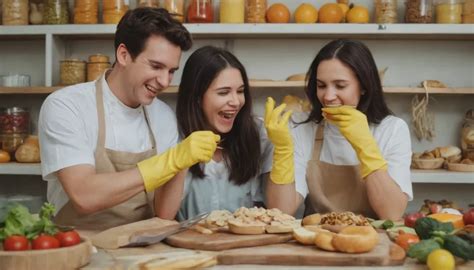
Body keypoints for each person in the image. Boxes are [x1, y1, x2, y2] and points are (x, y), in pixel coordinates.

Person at [38, 8, 220, 230]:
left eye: (172, 70)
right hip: (77, 248)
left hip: (142, 248)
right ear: (123, 55)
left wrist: (181, 164)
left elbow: (164, 213)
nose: (164, 81)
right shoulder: (67, 106)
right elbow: (84, 195)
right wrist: (170, 161)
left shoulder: (162, 115)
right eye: (156, 66)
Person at [266, 39, 412, 220]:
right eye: (321, 85)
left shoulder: (392, 129)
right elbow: (280, 212)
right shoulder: (301, 127)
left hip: (372, 241)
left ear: (364, 87)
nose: (328, 96)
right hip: (315, 240)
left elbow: (391, 213)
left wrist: (365, 145)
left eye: (340, 86)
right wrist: (282, 151)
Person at [154, 46, 296, 220]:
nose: (236, 102)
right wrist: (181, 160)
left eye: (240, 91)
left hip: (245, 245)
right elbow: (163, 215)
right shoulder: (173, 135)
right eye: (223, 92)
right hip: (187, 244)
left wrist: (282, 150)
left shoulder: (259, 134)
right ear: (197, 97)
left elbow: (284, 212)